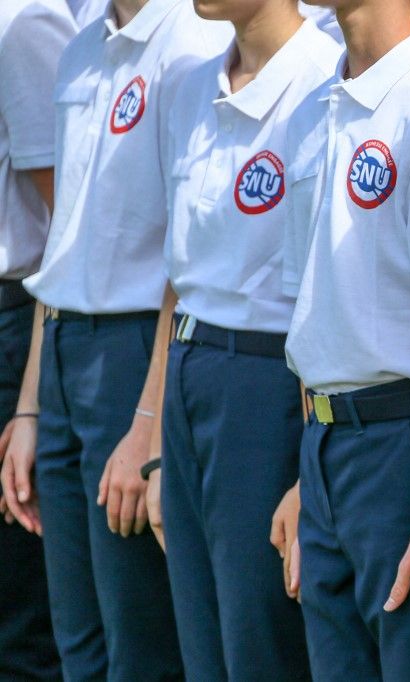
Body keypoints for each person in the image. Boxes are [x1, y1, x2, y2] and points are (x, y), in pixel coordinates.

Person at [2, 1, 226, 678]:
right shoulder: (81, 49)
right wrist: (33, 405)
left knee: (141, 643)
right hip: (67, 349)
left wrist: (149, 422)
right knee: (80, 645)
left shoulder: (190, 48)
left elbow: (184, 262)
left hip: (135, 357)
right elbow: (63, 244)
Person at [267, 1, 410, 678]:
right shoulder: (311, 112)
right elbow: (314, 306)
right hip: (327, 448)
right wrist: (310, 471)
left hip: (406, 445)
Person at [151, 1, 340, 678]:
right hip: (190, 368)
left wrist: (306, 463)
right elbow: (177, 274)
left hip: (268, 383)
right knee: (203, 645)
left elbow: (325, 287)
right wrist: (152, 430)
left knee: (259, 641)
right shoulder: (188, 83)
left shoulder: (323, 83)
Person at [0, 0, 75, 678]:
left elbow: (67, 231)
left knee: (20, 611)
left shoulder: (22, 24)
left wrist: (29, 403)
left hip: (14, 318)